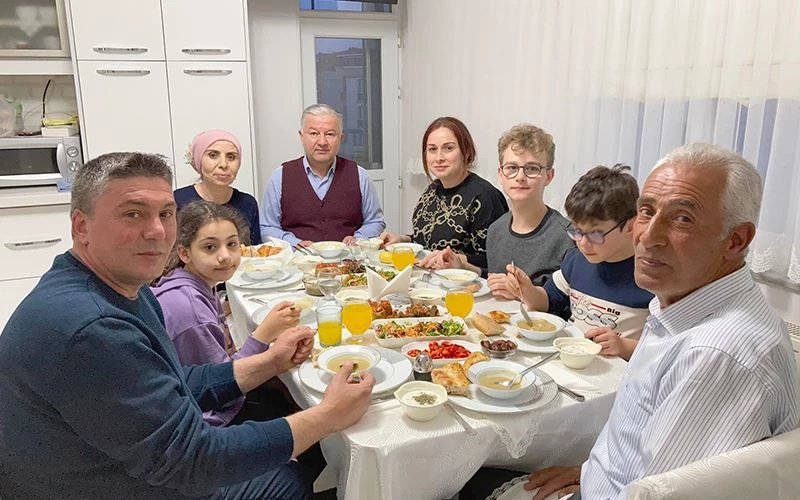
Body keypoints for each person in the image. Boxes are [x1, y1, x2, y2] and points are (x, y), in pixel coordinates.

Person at [0, 152, 375, 500]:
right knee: (290, 480)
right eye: (133, 214)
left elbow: (177, 382)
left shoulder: (121, 288)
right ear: (81, 226)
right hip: (104, 485)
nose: (157, 231)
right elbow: (195, 460)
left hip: (121, 461)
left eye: (166, 213)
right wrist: (328, 416)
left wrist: (270, 361)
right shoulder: (93, 329)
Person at [460, 143, 800, 500]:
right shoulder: (676, 306)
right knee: (472, 473)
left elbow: (662, 494)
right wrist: (590, 471)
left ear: (736, 240)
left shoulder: (716, 354)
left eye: (682, 218)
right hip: (598, 480)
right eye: (646, 211)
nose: (648, 237)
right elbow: (645, 461)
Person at [151, 201, 301, 426]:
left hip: (206, 401)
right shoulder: (190, 308)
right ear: (184, 253)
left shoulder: (190, 282)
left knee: (287, 387)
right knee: (304, 410)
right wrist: (263, 334)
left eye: (231, 244)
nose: (225, 256)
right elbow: (222, 383)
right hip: (212, 419)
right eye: (210, 247)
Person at [507, 164, 653, 360]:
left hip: (616, 370)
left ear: (630, 226)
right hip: (570, 362)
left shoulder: (652, 276)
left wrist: (624, 346)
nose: (583, 242)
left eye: (596, 233)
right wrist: (527, 290)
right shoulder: (577, 260)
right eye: (576, 231)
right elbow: (547, 301)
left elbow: (667, 348)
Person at [423, 123, 572, 290]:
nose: (520, 177)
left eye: (532, 168)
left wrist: (520, 291)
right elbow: (495, 278)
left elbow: (568, 301)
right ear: (501, 175)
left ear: (548, 176)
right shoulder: (496, 229)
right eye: (512, 168)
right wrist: (462, 266)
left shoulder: (567, 237)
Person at [381, 116, 508, 269]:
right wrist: (403, 239)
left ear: (467, 152)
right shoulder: (432, 189)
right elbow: (430, 239)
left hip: (463, 281)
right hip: (427, 276)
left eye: (448, 148)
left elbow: (495, 259)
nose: (439, 158)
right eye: (432, 149)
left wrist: (453, 258)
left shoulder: (484, 197)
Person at [260, 104, 385, 247]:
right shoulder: (280, 177)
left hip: (349, 258)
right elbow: (267, 227)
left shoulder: (359, 176)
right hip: (298, 258)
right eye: (314, 133)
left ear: (341, 138)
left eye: (330, 134)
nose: (322, 142)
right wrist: (295, 243)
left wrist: (358, 238)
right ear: (302, 136)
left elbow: (375, 221)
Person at [175, 129, 262, 245]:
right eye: (213, 155)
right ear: (198, 160)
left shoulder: (248, 203)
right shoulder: (177, 201)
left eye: (231, 157)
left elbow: (255, 252)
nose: (223, 165)